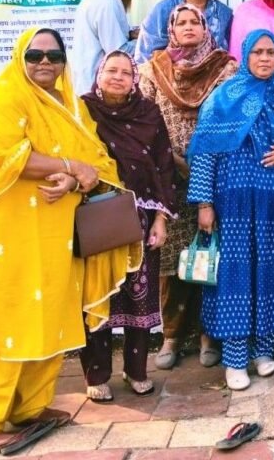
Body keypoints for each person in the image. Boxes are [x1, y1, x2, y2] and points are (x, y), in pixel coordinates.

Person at [0, 28, 141, 454]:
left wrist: (76, 178)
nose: (45, 62)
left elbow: (95, 161)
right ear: (20, 57)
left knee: (52, 319)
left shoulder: (70, 104)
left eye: (54, 55)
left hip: (60, 236)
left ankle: (30, 408)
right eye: (35, 54)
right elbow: (9, 156)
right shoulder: (8, 96)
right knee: (8, 324)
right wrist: (69, 165)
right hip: (13, 236)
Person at [188, 29, 274, 391]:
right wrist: (204, 204)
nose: (264, 58)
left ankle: (263, 350)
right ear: (245, 56)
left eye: (271, 52)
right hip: (235, 207)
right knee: (236, 276)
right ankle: (234, 359)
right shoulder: (224, 96)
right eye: (258, 52)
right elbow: (205, 152)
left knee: (271, 274)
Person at [138, 4, 237, 371]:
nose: (189, 27)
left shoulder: (225, 68)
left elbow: (232, 118)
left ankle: (210, 334)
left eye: (196, 21)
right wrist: (175, 162)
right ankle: (173, 335)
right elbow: (145, 121)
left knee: (212, 255)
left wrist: (203, 165)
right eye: (181, 22)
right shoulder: (153, 70)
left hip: (216, 174)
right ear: (171, 30)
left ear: (206, 28)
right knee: (173, 258)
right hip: (168, 177)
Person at [79, 51, 177, 402]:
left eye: (126, 72)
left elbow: (164, 166)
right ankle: (96, 374)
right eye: (111, 70)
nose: (118, 77)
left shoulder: (148, 113)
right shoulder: (82, 111)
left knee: (140, 297)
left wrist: (161, 219)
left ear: (135, 78)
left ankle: (136, 371)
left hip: (141, 218)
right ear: (99, 73)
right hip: (98, 214)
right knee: (98, 294)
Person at [71, 0, 143, 94]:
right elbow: (117, 51)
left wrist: (130, 34)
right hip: (95, 84)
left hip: (90, 80)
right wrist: (144, 39)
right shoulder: (105, 3)